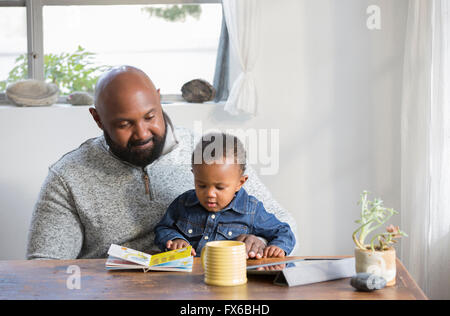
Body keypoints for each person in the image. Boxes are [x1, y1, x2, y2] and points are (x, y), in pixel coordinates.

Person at [26, 65, 297, 260]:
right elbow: (44, 269)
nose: (142, 134)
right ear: (98, 119)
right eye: (123, 124)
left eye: (149, 116)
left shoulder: (209, 153)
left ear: (158, 98)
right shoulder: (69, 176)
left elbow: (283, 223)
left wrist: (258, 241)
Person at [154, 133, 296, 257]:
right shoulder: (183, 203)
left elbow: (283, 231)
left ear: (240, 183)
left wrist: (278, 248)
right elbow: (163, 228)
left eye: (220, 187)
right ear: (194, 175)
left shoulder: (251, 210)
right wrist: (175, 239)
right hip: (191, 279)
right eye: (201, 185)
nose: (210, 193)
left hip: (231, 277)